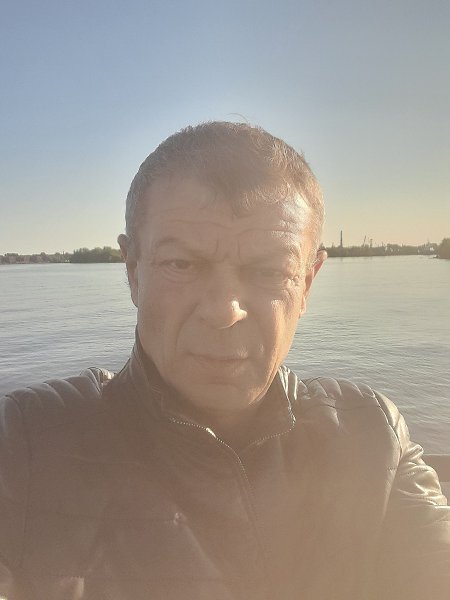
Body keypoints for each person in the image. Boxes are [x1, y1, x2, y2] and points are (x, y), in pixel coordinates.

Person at [0, 122, 449, 600]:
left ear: (307, 283)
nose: (224, 310)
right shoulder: (27, 445)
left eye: (269, 270)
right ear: (133, 271)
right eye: (181, 264)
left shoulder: (372, 439)